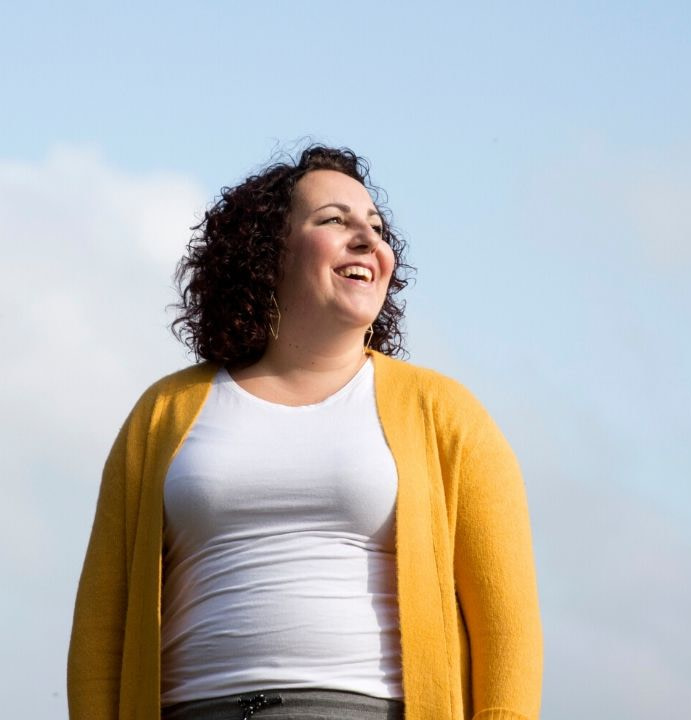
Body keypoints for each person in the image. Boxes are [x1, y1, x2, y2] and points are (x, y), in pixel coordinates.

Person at [67, 145, 543, 720]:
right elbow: (101, 628)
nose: (368, 240)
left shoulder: (445, 413)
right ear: (268, 251)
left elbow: (507, 629)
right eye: (335, 220)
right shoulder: (163, 412)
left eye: (376, 227)